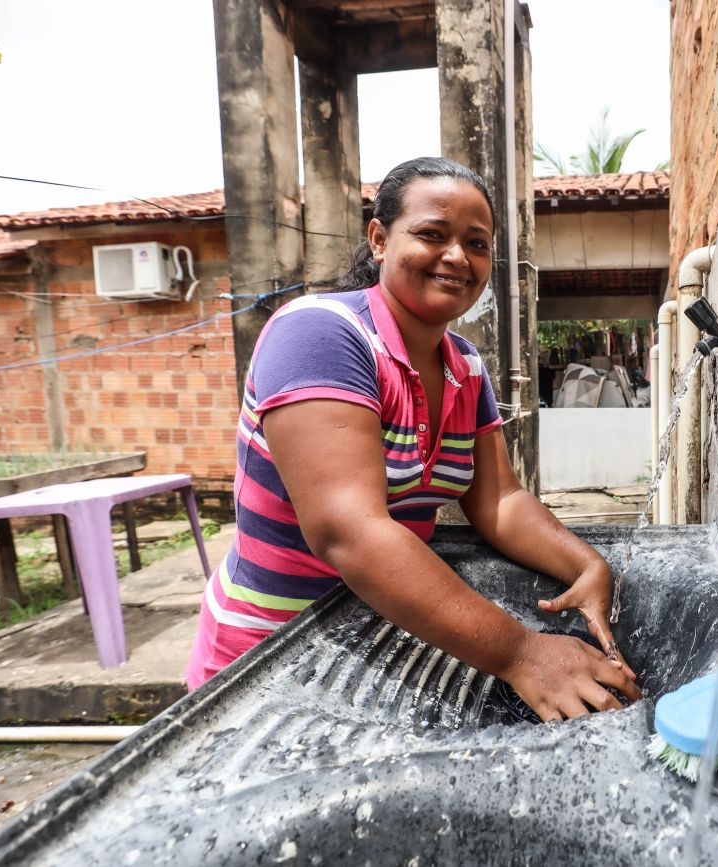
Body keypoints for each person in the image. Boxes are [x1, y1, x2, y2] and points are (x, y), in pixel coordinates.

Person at [186, 157, 639, 720]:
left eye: (476, 244)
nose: (457, 257)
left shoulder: (464, 365)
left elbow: (498, 499)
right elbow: (349, 531)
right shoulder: (320, 333)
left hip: (378, 638)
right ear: (379, 238)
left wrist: (586, 564)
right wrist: (523, 653)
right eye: (432, 234)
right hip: (271, 657)